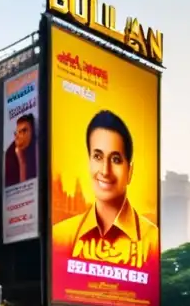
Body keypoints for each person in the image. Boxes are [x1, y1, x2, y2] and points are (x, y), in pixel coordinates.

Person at [51, 110, 159, 270]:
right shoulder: (60, 236)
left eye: (116, 159)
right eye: (98, 157)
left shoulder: (152, 241)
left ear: (129, 171)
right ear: (89, 162)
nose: (105, 171)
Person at [4, 113, 37, 186]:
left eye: (24, 131)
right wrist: (22, 161)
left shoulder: (38, 150)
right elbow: (21, 191)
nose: (18, 136)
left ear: (33, 132)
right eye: (17, 132)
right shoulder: (10, 154)